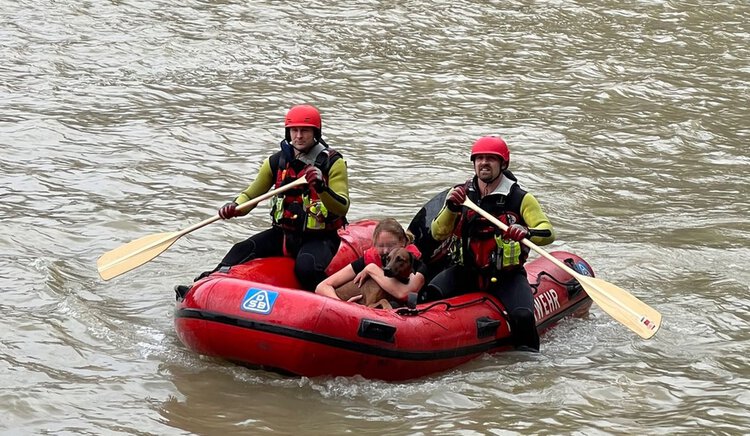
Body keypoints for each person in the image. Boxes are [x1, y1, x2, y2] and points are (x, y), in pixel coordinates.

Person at [195, 104, 350, 291]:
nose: (299, 136)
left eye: (305, 131)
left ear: (315, 133)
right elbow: (251, 195)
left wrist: (321, 188)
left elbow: (342, 207)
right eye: (294, 130)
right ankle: (205, 287)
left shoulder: (333, 163)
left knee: (306, 268)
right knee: (240, 250)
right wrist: (235, 207)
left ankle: (330, 300)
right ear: (288, 132)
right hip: (283, 234)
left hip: (320, 238)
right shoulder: (277, 162)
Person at [426, 136, 555, 351]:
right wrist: (451, 209)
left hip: (506, 276)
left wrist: (527, 232)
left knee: (522, 316)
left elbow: (549, 233)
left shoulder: (520, 198)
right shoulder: (460, 194)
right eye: (479, 158)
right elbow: (438, 233)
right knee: (429, 295)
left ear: (503, 164)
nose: (484, 163)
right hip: (465, 271)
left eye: (491, 159)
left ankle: (530, 365)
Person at [315, 218, 426, 305]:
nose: (386, 251)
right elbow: (322, 287)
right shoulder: (370, 258)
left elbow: (404, 293)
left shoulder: (414, 261)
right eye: (380, 246)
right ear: (374, 245)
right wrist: (342, 305)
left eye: (391, 245)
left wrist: (371, 269)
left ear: (403, 242)